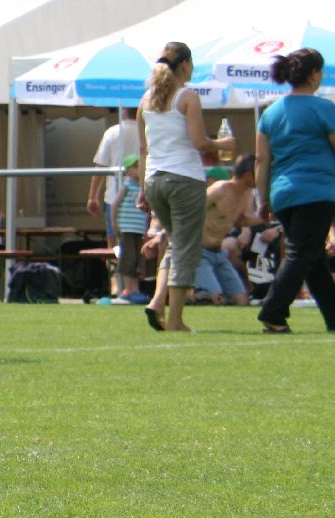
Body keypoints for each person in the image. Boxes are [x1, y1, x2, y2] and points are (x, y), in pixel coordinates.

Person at [137, 41, 233, 333]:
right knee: (187, 249)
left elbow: (143, 150)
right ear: (185, 65)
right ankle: (176, 320)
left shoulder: (145, 100)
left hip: (154, 180)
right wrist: (223, 143)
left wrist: (142, 189)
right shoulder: (187, 97)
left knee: (176, 243)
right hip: (184, 179)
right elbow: (199, 142)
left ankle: (157, 302)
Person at [253, 48, 335, 335]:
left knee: (313, 259)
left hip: (282, 193)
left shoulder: (271, 113)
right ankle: (273, 312)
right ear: (313, 74)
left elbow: (261, 160)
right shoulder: (324, 108)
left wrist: (262, 199)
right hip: (317, 190)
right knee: (302, 254)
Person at [190, 158, 264, 305]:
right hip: (199, 252)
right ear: (248, 175)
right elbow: (191, 211)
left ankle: (198, 294)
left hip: (219, 253)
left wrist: (264, 218)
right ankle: (191, 295)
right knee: (214, 299)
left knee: (242, 301)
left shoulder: (246, 194)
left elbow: (240, 221)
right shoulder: (220, 189)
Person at [86, 108, 140, 245]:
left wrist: (92, 197)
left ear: (124, 111)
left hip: (114, 196)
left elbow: (101, 166)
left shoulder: (112, 132)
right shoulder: (146, 131)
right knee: (142, 243)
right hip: (141, 195)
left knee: (113, 242)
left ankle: (112, 258)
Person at [110, 155, 151, 302]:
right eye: (135, 167)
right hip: (127, 228)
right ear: (128, 171)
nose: (139, 170)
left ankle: (135, 289)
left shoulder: (143, 188)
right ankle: (128, 289)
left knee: (137, 259)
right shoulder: (127, 185)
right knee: (129, 257)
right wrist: (114, 223)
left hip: (138, 229)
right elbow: (115, 205)